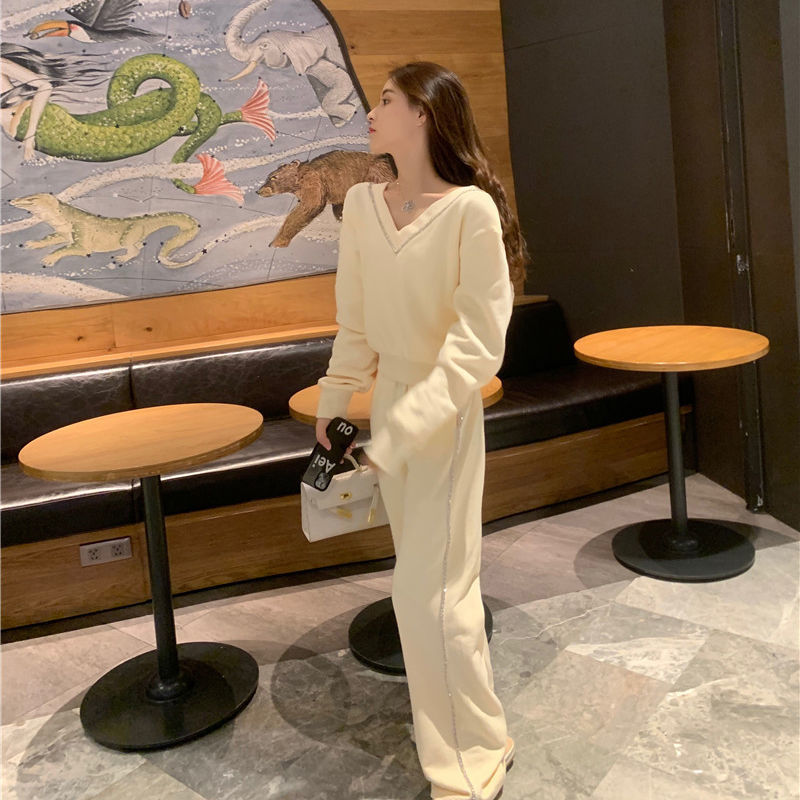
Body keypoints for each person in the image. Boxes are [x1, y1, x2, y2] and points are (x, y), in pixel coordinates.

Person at [315, 61, 529, 800]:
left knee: (431, 593)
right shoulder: (363, 206)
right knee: (431, 585)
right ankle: (472, 732)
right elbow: (354, 320)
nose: (371, 111)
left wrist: (403, 429)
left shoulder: (470, 211)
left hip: (443, 412)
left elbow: (478, 344)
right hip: (391, 407)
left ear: (424, 115)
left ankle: (468, 763)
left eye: (386, 100)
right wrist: (336, 406)